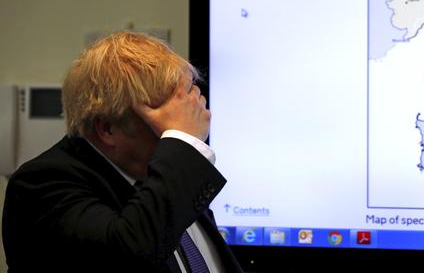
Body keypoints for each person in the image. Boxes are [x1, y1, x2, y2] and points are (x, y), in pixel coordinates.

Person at [2, 31, 243, 272]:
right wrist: (184, 142)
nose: (191, 126)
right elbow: (129, 257)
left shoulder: (162, 174)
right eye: (171, 119)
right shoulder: (41, 186)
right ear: (108, 129)